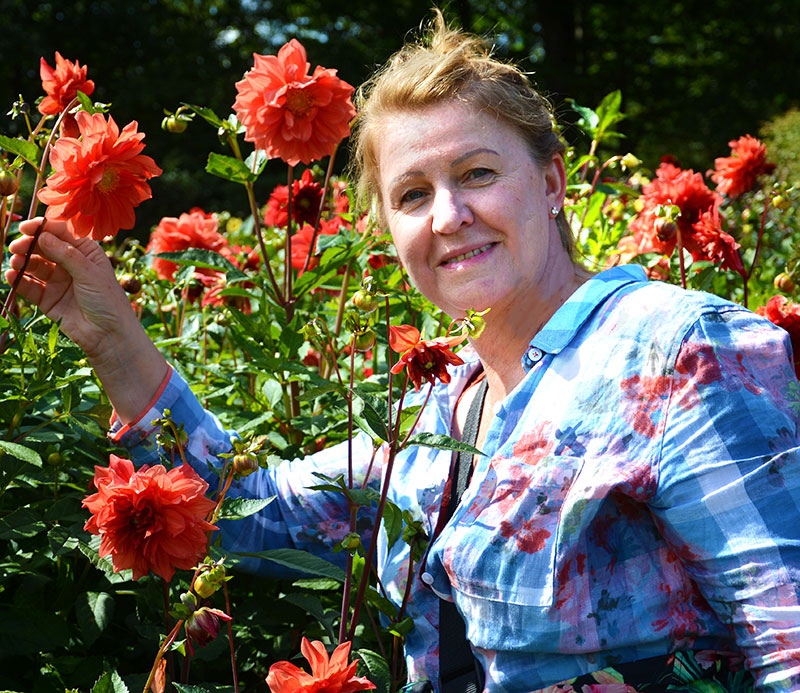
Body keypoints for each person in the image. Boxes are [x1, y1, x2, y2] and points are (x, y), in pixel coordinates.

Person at [7, 13, 800, 693]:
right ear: (387, 225)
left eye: (478, 173)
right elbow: (245, 513)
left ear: (554, 179)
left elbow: (786, 641)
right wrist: (113, 338)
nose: (450, 216)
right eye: (413, 194)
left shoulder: (677, 349)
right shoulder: (436, 416)